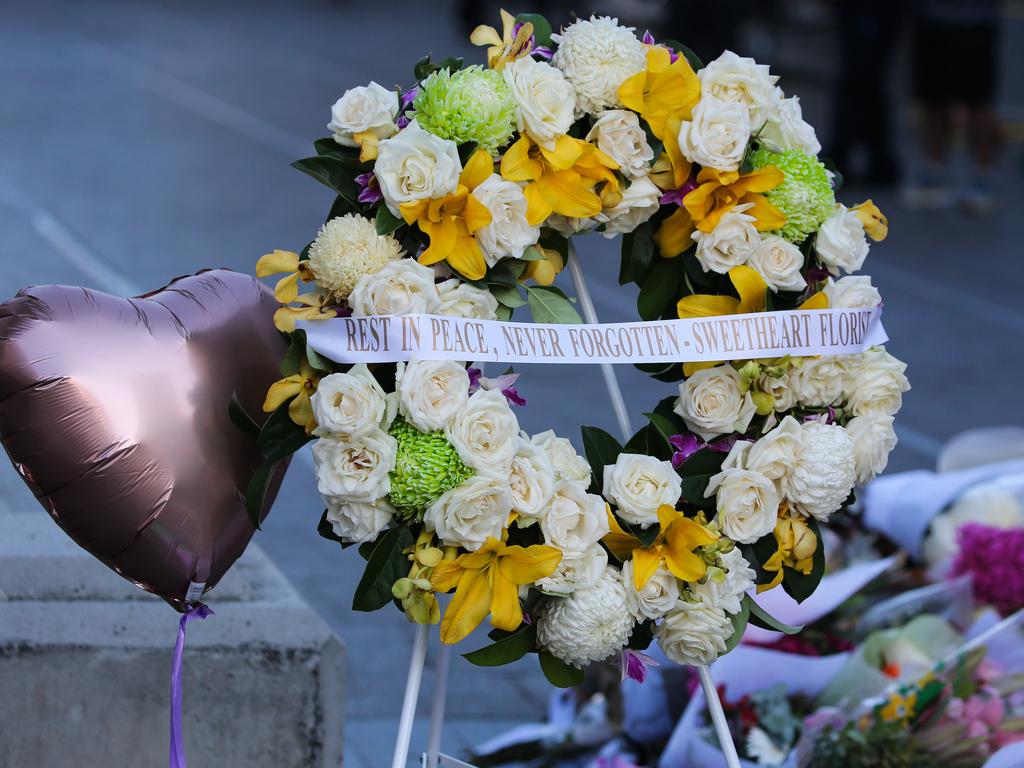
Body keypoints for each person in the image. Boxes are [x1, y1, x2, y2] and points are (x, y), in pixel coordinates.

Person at [905, 0, 1003, 215]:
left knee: (977, 103)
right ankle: (934, 172)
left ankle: (983, 176)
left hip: (976, 20)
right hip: (934, 17)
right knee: (934, 100)